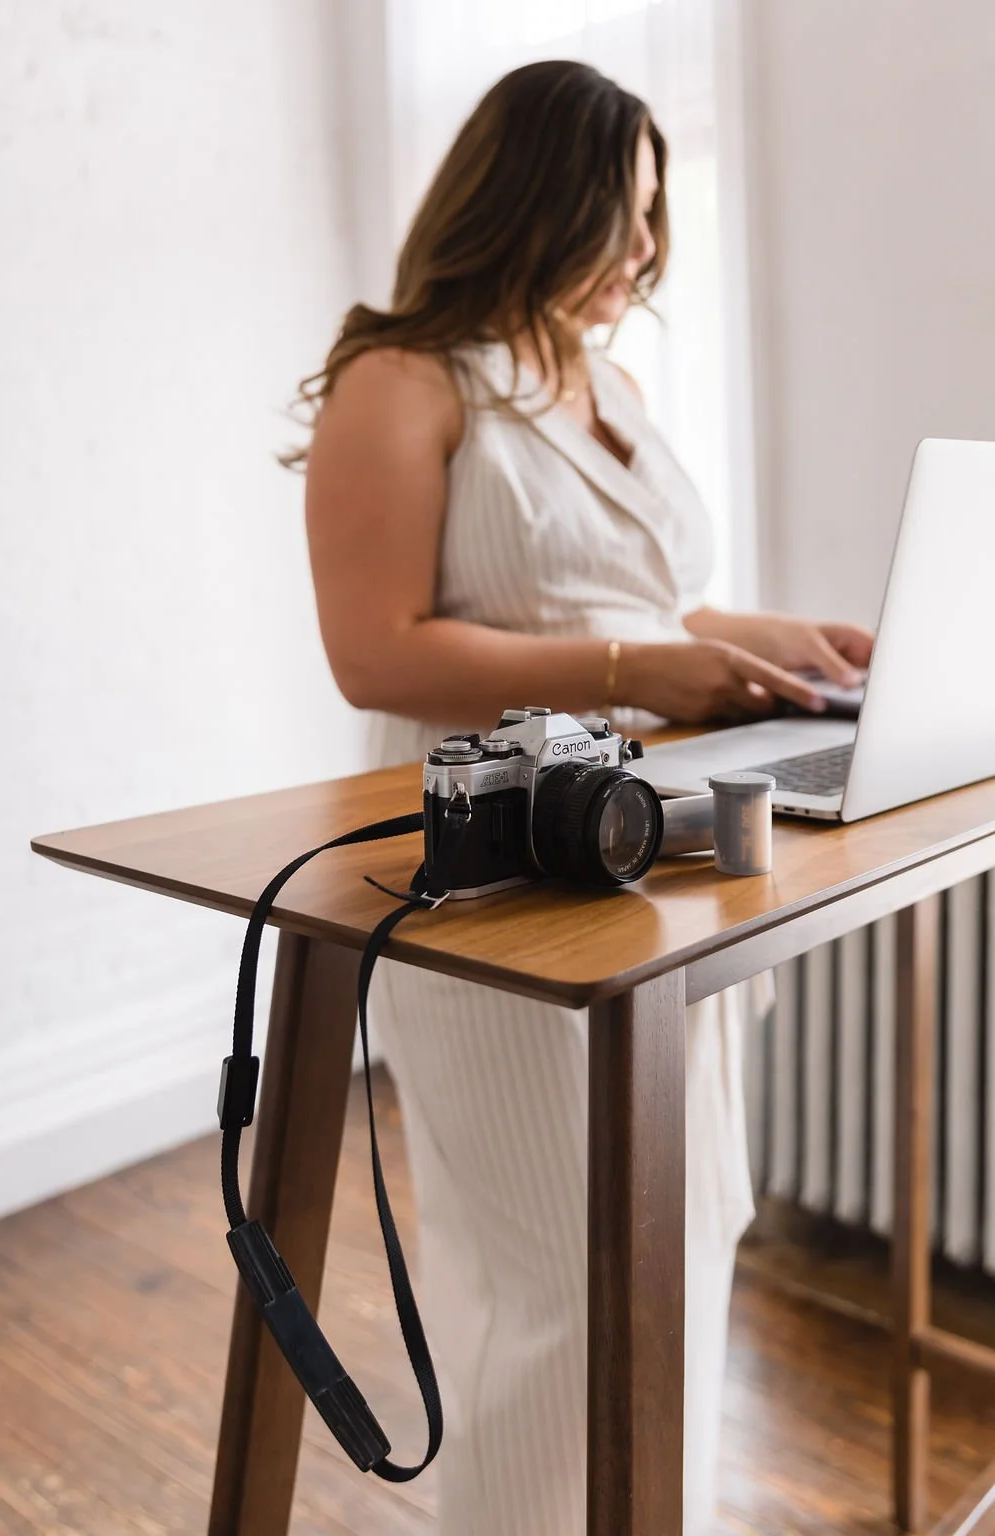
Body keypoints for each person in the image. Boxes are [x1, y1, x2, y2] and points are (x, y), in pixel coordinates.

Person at [295, 60, 873, 1536]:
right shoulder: (403, 377)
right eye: (623, 214)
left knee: (690, 1231)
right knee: (563, 1276)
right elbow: (379, 645)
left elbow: (644, 603)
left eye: (659, 217)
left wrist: (771, 642)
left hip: (664, 849)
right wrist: (645, 662)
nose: (646, 253)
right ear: (534, 201)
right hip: (501, 879)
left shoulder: (600, 383)